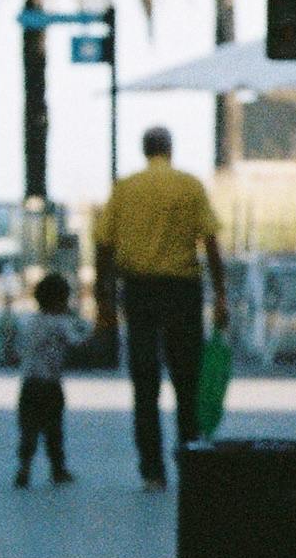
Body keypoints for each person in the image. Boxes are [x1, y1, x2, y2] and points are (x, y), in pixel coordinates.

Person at [93, 127, 230, 487]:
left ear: (144, 150)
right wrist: (221, 295)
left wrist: (102, 296)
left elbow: (103, 243)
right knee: (187, 380)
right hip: (183, 291)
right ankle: (190, 461)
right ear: (170, 149)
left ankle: (152, 471)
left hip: (138, 291)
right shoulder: (190, 185)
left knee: (145, 382)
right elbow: (211, 243)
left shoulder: (125, 188)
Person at [11, 271, 82, 488]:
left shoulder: (28, 322)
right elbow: (77, 342)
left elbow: (16, 349)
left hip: (29, 383)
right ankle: (58, 470)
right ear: (62, 300)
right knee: (54, 430)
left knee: (28, 429)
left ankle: (24, 467)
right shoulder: (61, 323)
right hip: (51, 384)